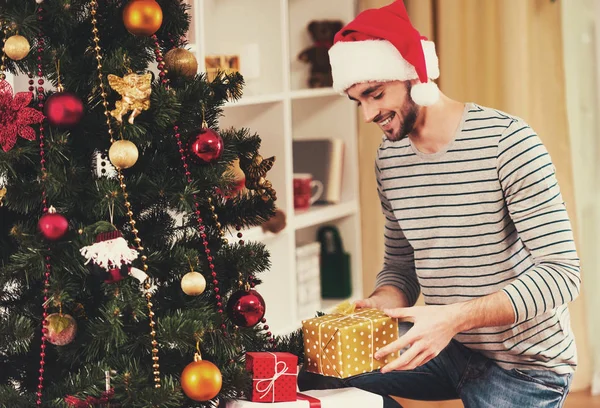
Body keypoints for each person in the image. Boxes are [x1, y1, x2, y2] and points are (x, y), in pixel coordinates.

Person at [297, 1, 581, 407]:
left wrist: (452, 317)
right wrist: (382, 302)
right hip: (445, 346)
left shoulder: (508, 142)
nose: (367, 114)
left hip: (524, 365)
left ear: (415, 75)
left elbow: (561, 275)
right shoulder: (390, 159)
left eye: (375, 95)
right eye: (358, 100)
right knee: (309, 370)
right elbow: (401, 266)